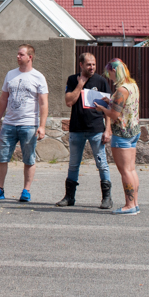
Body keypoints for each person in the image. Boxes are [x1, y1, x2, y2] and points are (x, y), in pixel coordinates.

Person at [0, 45, 48, 202]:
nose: (18, 56)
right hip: (9, 124)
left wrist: (42, 125)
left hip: (29, 124)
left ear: (30, 57)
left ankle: (26, 190)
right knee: (2, 157)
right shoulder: (10, 75)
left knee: (29, 158)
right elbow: (3, 98)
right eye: (18, 54)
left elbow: (43, 103)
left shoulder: (38, 77)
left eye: (21, 54)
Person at [57, 53, 114, 209]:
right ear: (81, 65)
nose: (92, 67)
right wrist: (80, 85)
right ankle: (69, 197)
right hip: (77, 129)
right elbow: (69, 102)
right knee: (74, 165)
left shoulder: (101, 81)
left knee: (102, 164)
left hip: (96, 129)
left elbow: (108, 108)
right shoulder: (72, 79)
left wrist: (107, 129)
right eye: (89, 64)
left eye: (94, 64)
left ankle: (107, 198)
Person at [97, 58, 142, 215]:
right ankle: (134, 204)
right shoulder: (132, 85)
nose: (109, 76)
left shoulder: (122, 89)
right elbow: (126, 106)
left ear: (114, 70)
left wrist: (102, 109)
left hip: (121, 133)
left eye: (109, 72)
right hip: (133, 131)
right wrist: (110, 101)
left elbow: (114, 115)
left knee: (125, 171)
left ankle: (129, 205)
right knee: (131, 169)